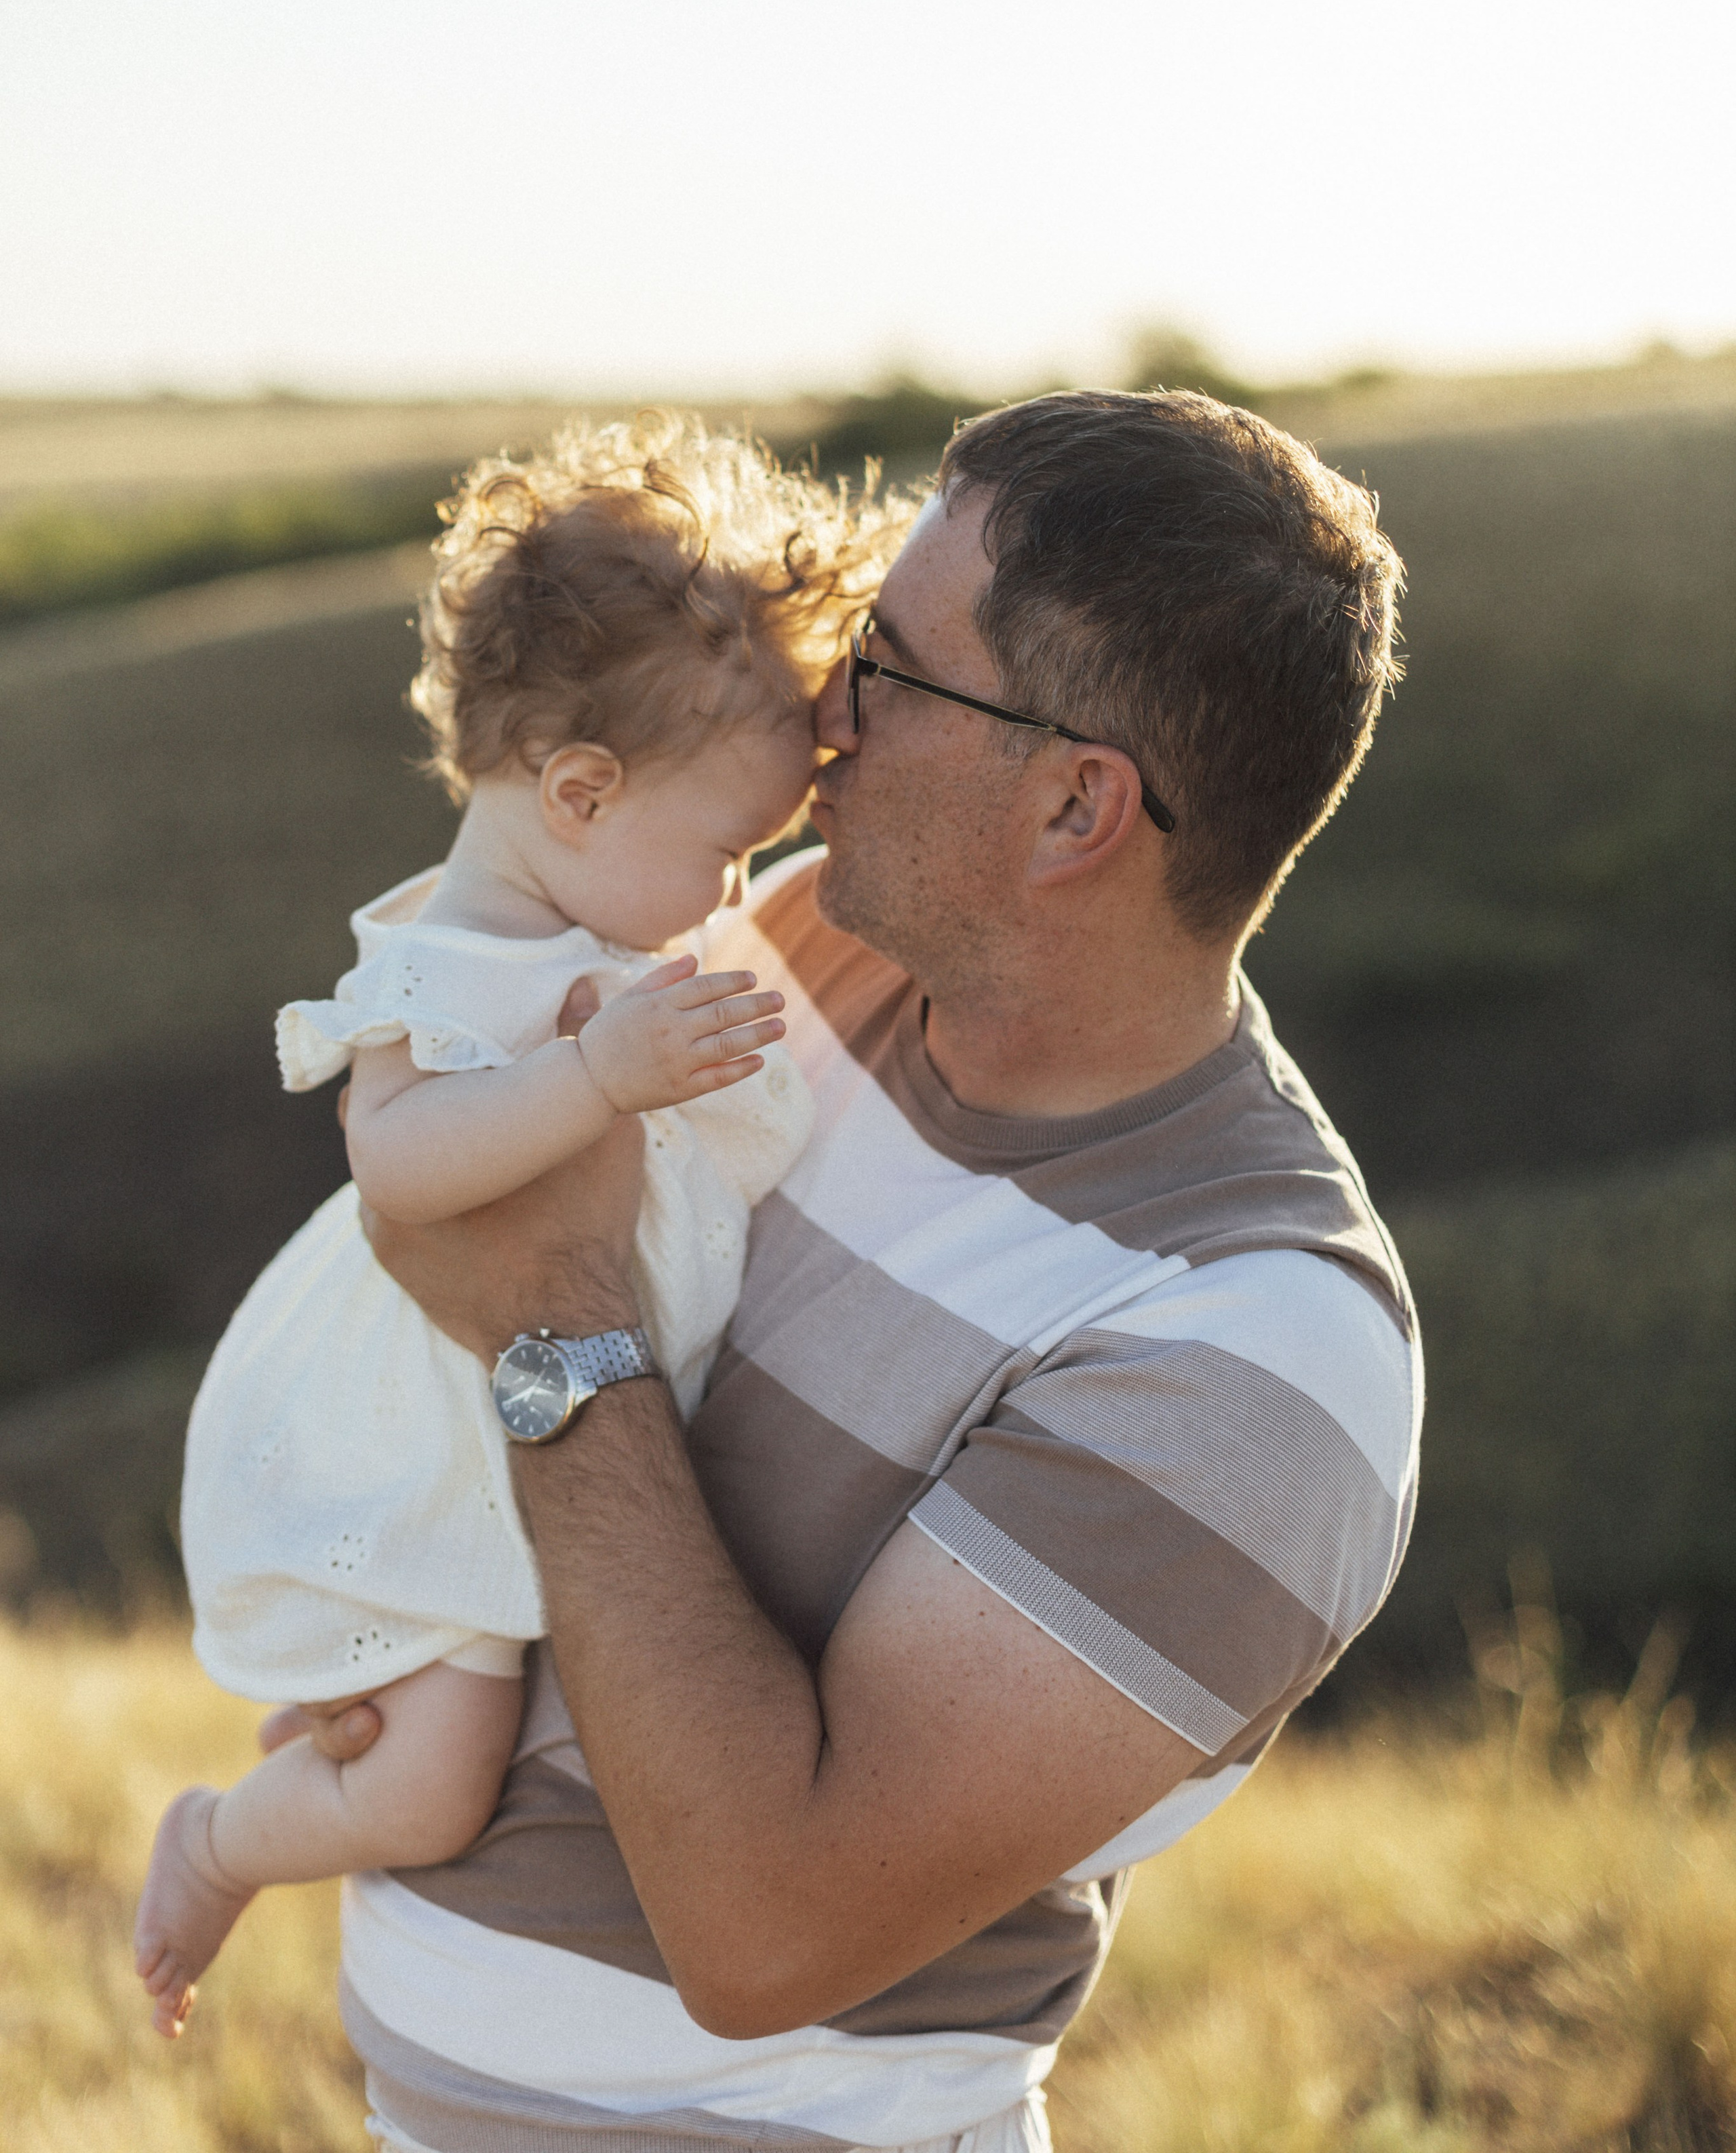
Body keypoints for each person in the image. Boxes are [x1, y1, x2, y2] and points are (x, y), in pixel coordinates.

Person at [270, 389, 1422, 2153]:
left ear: (1073, 810)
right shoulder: (801, 940)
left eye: (888, 668)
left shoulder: (1249, 1353)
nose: (824, 712)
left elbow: (766, 1930)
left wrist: (554, 1337)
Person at [134, 414, 905, 2040]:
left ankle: (328, 1732)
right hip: (424, 1429)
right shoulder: (441, 965)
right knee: (426, 1792)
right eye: (724, 849)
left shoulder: (604, 923)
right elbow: (401, 1167)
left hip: (528, 1417)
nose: (730, 892)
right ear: (575, 790)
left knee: (462, 1714)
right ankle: (218, 1843)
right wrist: (593, 1071)